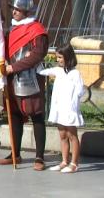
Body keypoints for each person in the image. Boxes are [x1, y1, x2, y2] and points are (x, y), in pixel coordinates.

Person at [0, 0, 49, 171]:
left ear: (26, 11)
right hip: (12, 79)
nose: (13, 11)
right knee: (16, 116)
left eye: (17, 9)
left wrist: (14, 67)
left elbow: (37, 54)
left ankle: (40, 157)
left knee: (37, 116)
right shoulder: (12, 30)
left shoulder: (37, 30)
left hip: (31, 78)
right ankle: (15, 154)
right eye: (13, 8)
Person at [39, 44, 85, 173]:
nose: (58, 60)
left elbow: (80, 91)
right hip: (59, 108)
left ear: (68, 57)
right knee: (62, 134)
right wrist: (34, 60)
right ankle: (64, 161)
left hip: (69, 109)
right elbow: (42, 71)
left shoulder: (75, 73)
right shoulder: (58, 71)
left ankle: (74, 163)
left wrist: (73, 104)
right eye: (57, 57)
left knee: (72, 134)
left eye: (60, 57)